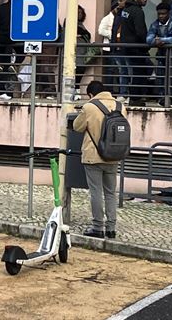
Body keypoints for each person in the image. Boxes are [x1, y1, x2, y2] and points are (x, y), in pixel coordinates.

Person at [72, 80, 126, 239]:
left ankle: (97, 227)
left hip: (93, 157)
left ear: (90, 94)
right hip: (114, 155)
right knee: (110, 193)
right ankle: (111, 228)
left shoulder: (89, 107)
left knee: (96, 192)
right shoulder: (120, 106)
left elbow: (77, 127)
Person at [146, 2, 172, 105]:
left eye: (164, 14)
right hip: (161, 56)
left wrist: (160, 40)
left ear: (169, 13)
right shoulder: (155, 24)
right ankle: (162, 99)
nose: (161, 16)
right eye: (159, 14)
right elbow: (148, 39)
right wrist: (156, 41)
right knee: (161, 78)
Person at [118, 0, 149, 101]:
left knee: (129, 72)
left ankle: (132, 96)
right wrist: (146, 45)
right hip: (136, 48)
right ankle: (135, 98)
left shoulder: (125, 10)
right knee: (138, 74)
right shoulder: (137, 11)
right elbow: (140, 31)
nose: (145, 0)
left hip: (126, 47)